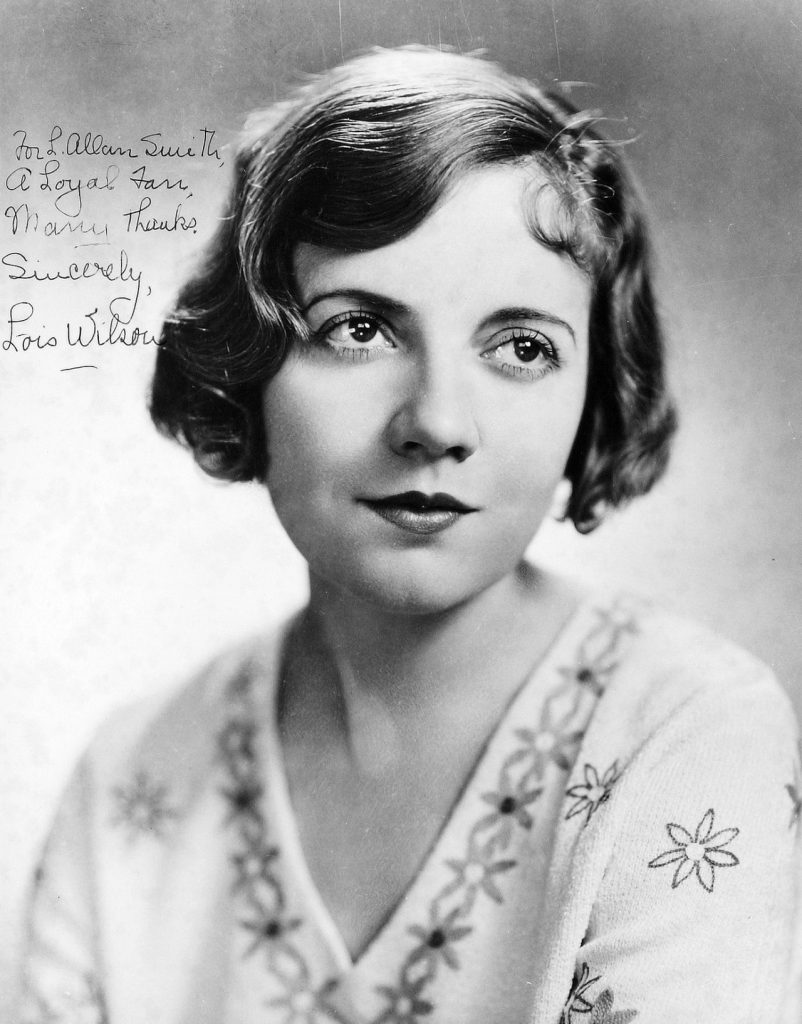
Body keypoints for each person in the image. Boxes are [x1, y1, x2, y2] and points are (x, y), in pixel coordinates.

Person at [19, 46, 801, 1024]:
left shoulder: (683, 734)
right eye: (358, 329)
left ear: (593, 393)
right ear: (245, 367)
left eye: (522, 347)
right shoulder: (130, 778)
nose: (436, 421)